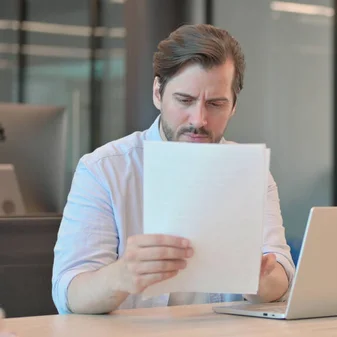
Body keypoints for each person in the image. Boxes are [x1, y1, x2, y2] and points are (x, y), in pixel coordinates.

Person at [51, 24, 295, 315]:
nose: (199, 120)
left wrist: (260, 281)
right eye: (185, 100)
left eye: (216, 104)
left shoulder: (252, 173)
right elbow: (69, 293)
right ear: (158, 93)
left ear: (233, 107)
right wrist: (121, 275)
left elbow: (280, 274)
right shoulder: (104, 169)